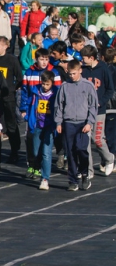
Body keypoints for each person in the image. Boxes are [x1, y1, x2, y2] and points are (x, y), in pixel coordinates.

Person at [55, 60, 98, 191]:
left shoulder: (88, 86)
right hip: (68, 123)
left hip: (83, 123)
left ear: (80, 71)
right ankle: (73, 180)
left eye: (74, 73)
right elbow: (59, 105)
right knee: (71, 152)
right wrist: (59, 122)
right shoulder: (64, 86)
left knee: (81, 149)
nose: (72, 76)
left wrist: (90, 122)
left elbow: (93, 106)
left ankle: (85, 173)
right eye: (70, 73)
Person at [80, 45, 115, 177]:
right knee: (85, 140)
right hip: (85, 110)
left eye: (84, 58)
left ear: (91, 58)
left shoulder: (103, 69)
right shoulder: (83, 69)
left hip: (99, 110)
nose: (82, 60)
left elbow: (110, 89)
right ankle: (89, 170)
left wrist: (101, 102)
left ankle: (109, 158)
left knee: (98, 139)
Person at [21, 71, 58, 190]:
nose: (45, 87)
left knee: (46, 153)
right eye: (43, 84)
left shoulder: (56, 93)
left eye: (48, 84)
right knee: (36, 152)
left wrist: (57, 123)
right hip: (37, 125)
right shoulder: (35, 91)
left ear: (52, 83)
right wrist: (27, 115)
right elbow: (29, 103)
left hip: (49, 126)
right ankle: (39, 167)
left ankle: (45, 178)